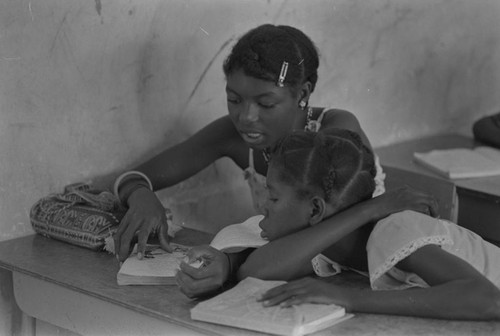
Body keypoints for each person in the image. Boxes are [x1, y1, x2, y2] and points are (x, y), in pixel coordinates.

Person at [113, 23, 389, 262]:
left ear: (302, 93)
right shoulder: (233, 134)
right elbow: (134, 177)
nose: (246, 117)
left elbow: (333, 233)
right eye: (234, 99)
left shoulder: (336, 131)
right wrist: (142, 197)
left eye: (265, 103)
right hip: (290, 263)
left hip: (365, 261)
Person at [251, 128, 500, 321]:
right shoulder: (333, 246)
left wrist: (346, 298)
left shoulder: (393, 230)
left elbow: (487, 299)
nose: (263, 205)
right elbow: (256, 271)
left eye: (273, 197)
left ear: (316, 209)